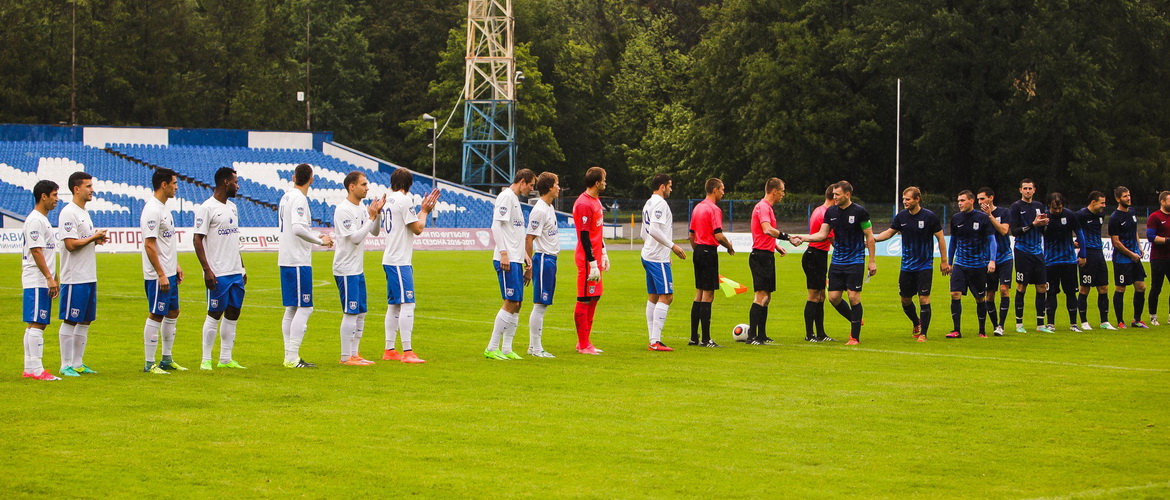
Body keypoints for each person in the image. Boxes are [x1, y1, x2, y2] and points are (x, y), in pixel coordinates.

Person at [791, 181, 876, 345]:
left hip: (855, 261)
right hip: (837, 262)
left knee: (853, 297)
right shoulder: (830, 212)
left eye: (837, 195)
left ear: (847, 195)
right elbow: (822, 234)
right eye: (834, 194)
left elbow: (870, 237)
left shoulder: (860, 212)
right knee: (833, 297)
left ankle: (854, 337)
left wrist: (872, 261)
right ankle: (855, 319)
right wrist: (803, 238)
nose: (834, 197)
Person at [380, 168, 441, 363]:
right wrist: (424, 211)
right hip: (399, 260)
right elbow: (418, 228)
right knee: (408, 304)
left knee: (394, 305)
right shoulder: (404, 200)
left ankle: (389, 349)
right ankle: (407, 351)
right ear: (408, 184)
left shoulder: (389, 200)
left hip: (390, 258)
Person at [873, 186, 948, 341]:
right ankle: (916, 322)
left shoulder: (929, 217)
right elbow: (889, 232)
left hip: (925, 266)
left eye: (907, 199)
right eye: (903, 199)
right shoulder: (901, 217)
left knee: (923, 298)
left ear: (917, 199)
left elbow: (941, 238)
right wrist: (874, 239)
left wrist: (944, 261)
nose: (904, 202)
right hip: (907, 266)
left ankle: (923, 334)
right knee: (905, 300)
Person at [277, 164, 334, 369]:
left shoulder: (286, 196)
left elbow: (299, 228)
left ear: (293, 177)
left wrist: (319, 236)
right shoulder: (300, 198)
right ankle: (292, 357)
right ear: (311, 179)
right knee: (305, 307)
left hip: (286, 257)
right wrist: (320, 242)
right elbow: (298, 228)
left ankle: (288, 355)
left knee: (292, 307)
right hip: (297, 260)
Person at [193, 167, 248, 370]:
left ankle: (225, 358)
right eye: (235, 181)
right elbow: (197, 239)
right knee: (214, 313)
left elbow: (234, 239)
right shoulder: (207, 208)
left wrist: (242, 267)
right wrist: (207, 270)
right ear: (226, 182)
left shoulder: (233, 207)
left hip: (234, 271)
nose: (238, 185)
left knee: (234, 312)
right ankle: (206, 359)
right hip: (218, 272)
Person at [57, 171, 108, 376]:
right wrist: (92, 237)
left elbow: (82, 239)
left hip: (88, 275)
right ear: (76, 189)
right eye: (88, 186)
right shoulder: (68, 213)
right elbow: (70, 245)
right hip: (74, 276)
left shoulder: (84, 213)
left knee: (86, 320)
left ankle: (78, 363)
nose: (92, 190)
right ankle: (65, 364)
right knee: (70, 319)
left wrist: (95, 240)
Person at [333, 172, 385, 365]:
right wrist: (371, 217)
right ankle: (346, 357)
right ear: (351, 187)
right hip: (345, 268)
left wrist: (376, 215)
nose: (367, 188)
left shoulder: (362, 207)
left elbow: (375, 231)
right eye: (363, 184)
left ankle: (355, 353)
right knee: (351, 311)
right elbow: (354, 239)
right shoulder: (343, 210)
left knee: (361, 312)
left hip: (357, 268)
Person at [484, 169, 536, 360]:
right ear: (522, 181)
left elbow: (514, 232)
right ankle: (491, 347)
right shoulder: (505, 197)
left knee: (518, 303)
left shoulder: (515, 200)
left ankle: (506, 348)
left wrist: (523, 254)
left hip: (515, 258)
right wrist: (504, 253)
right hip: (505, 259)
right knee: (510, 301)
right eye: (530, 185)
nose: (531, 189)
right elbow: (496, 225)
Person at [140, 168, 187, 374]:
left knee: (173, 311)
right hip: (157, 275)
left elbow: (164, 242)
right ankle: (150, 363)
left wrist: (173, 265)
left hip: (168, 271)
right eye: (174, 183)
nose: (177, 187)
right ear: (164, 185)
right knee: (156, 314)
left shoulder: (164, 208)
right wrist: (160, 273)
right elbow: (149, 245)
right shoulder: (152, 210)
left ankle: (166, 358)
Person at [689, 177, 736, 347]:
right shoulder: (714, 209)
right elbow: (718, 235)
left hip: (698, 251)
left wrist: (698, 251)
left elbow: (691, 235)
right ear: (715, 190)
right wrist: (729, 246)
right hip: (709, 251)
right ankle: (706, 339)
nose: (723, 192)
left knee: (699, 293)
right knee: (708, 295)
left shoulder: (697, 208)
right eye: (722, 189)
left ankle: (694, 337)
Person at [640, 173, 686, 351]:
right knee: (667, 296)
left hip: (650, 254)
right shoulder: (660, 203)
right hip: (656, 258)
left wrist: (663, 251)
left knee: (654, 296)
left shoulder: (649, 202)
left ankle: (653, 340)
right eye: (669, 186)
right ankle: (655, 341)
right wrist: (671, 246)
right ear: (662, 186)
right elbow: (653, 229)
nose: (671, 189)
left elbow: (645, 232)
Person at [21, 180, 61, 380]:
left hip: (40, 279)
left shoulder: (42, 220)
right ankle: (37, 370)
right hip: (36, 279)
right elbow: (36, 251)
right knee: (38, 323)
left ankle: (30, 368)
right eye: (54, 195)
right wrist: (48, 277)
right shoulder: (36, 220)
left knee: (34, 323)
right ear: (43, 196)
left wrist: (55, 277)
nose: (57, 199)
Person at [945, 190, 997, 338]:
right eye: (958, 201)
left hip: (978, 265)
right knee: (955, 294)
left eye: (962, 200)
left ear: (971, 201)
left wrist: (992, 260)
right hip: (960, 264)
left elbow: (991, 240)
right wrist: (949, 262)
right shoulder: (956, 218)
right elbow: (953, 241)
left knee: (980, 298)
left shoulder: (983, 218)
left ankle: (982, 331)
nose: (959, 203)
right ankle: (956, 330)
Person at [745, 177, 789, 345]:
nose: (783, 194)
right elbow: (767, 229)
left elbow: (765, 234)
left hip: (767, 254)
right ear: (774, 191)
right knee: (760, 296)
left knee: (767, 296)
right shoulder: (763, 207)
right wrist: (785, 237)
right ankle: (752, 336)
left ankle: (761, 335)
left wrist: (776, 246)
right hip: (760, 256)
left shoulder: (768, 207)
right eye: (782, 191)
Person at [572, 167, 609, 355]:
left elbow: (597, 233)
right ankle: (583, 343)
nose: (605, 183)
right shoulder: (583, 204)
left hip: (595, 257)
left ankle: (586, 341)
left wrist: (603, 253)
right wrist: (592, 261)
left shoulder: (596, 201)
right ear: (596, 182)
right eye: (603, 180)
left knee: (594, 297)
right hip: (587, 260)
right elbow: (584, 236)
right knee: (584, 298)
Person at [525, 172, 562, 357]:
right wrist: (529, 266)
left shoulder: (549, 207)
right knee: (540, 304)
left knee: (543, 304)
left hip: (551, 259)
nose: (559, 187)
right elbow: (529, 238)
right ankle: (536, 348)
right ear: (549, 187)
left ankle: (533, 347)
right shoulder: (539, 210)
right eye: (557, 184)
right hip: (543, 259)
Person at [1008, 178, 1050, 333]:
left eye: (1030, 188)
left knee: (1041, 287)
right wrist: (1033, 224)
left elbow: (1043, 230)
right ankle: (1019, 323)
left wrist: (1045, 225)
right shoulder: (1016, 207)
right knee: (1022, 286)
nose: (1027, 191)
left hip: (1038, 252)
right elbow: (1015, 231)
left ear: (1034, 190)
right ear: (1020, 190)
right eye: (1024, 188)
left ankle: (1040, 324)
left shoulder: (1039, 206)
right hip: (1022, 251)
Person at [1042, 193, 1087, 332]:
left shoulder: (1069, 215)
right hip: (1050, 261)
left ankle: (1073, 324)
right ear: (1049, 205)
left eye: (1060, 207)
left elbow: (1080, 234)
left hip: (1069, 261)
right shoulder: (1044, 218)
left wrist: (1083, 254)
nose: (1058, 210)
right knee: (1050, 293)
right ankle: (1050, 324)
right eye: (1055, 208)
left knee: (1071, 293)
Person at [801, 184, 837, 342]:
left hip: (819, 255)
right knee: (813, 296)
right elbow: (831, 238)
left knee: (821, 296)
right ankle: (810, 334)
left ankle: (821, 333)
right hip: (814, 255)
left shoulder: (819, 210)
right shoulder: (826, 213)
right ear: (834, 196)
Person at [1109, 186, 1148, 329]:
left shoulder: (1132, 212)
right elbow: (1115, 242)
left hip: (1135, 257)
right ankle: (1120, 322)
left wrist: (1139, 247)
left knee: (1141, 287)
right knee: (1120, 288)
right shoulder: (1115, 218)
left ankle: (1136, 320)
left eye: (1129, 195)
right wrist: (1131, 254)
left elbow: (1135, 231)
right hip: (1122, 259)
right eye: (1125, 196)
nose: (1128, 198)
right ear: (1118, 199)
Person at [977, 187, 1014, 336]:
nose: (980, 202)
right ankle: (995, 325)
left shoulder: (1004, 213)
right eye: (978, 199)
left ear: (991, 198)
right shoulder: (978, 216)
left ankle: (1001, 325)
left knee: (1004, 290)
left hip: (1004, 257)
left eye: (983, 198)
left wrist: (990, 216)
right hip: (987, 259)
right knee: (990, 294)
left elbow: (1004, 231)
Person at [1075, 191, 1112, 330]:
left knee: (1103, 287)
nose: (1104, 205)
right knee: (1085, 288)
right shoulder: (1080, 215)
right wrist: (1075, 244)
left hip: (1099, 253)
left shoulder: (1101, 215)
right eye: (1102, 202)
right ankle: (1084, 321)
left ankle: (1104, 321)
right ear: (1093, 202)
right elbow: (1073, 231)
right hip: (1087, 253)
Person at [1146, 190, 1170, 325]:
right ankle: (1153, 315)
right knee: (1156, 287)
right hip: (1158, 257)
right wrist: (1167, 240)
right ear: (1162, 201)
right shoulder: (1155, 217)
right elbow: (1151, 237)